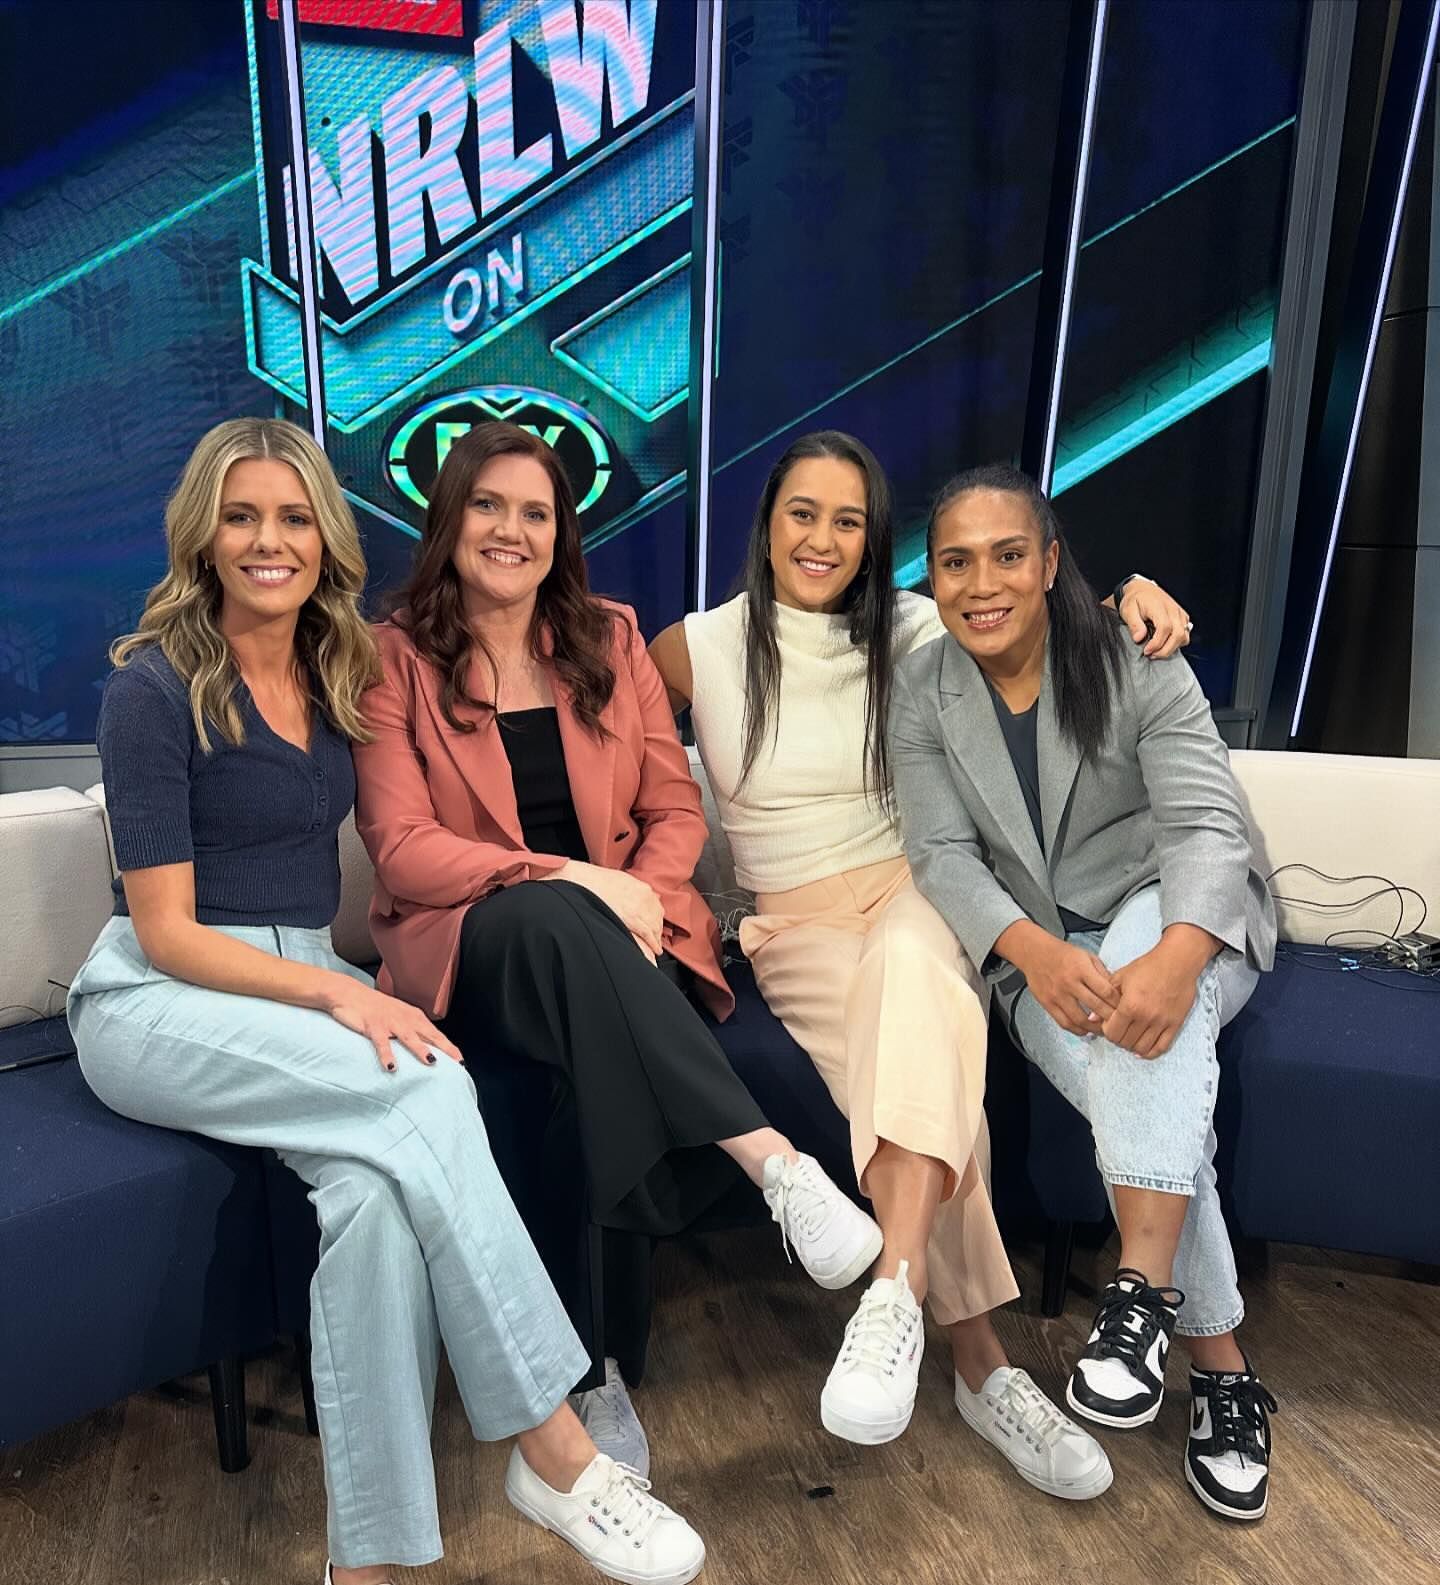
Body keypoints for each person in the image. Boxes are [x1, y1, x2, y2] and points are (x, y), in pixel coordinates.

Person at [66, 418, 707, 1585]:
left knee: (372, 1207)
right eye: (242, 516)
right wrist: (342, 993)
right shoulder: (149, 690)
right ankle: (555, 1447)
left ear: (326, 537)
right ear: (202, 534)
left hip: (301, 980)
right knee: (430, 1089)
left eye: (294, 517)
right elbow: (166, 932)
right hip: (159, 994)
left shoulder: (339, 671)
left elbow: (470, 732)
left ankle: (365, 1566)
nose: (269, 540)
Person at [649, 430, 1191, 1502]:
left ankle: (892, 1293)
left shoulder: (917, 628)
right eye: (804, 513)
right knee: (920, 1077)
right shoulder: (697, 646)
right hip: (793, 925)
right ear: (768, 524)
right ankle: (983, 1368)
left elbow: (1034, 614)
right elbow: (585, 705)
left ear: (874, 539)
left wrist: (1132, 595)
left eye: (849, 520)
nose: (824, 538)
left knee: (912, 971)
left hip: (921, 888)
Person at [352, 421, 880, 1479]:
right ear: (449, 519)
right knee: (556, 921)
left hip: (624, 939)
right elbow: (404, 851)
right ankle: (772, 1162)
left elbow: (674, 808)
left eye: (535, 512)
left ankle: (592, 1372)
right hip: (478, 941)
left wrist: (640, 895)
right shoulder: (393, 657)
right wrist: (581, 878)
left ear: (562, 532)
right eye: (488, 505)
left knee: (579, 1069)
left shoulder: (610, 638)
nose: (511, 529)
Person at [889, 461, 1279, 1521]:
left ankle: (1138, 1292)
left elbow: (1206, 828)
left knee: (1147, 1040)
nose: (982, 583)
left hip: (1178, 910)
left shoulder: (1131, 651)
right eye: (956, 562)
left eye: (1008, 555)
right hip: (1044, 957)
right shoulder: (922, 687)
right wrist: (1033, 950)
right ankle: (1223, 1371)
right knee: (1150, 1095)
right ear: (932, 577)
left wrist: (1178, 960)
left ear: (1050, 561)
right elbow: (941, 854)